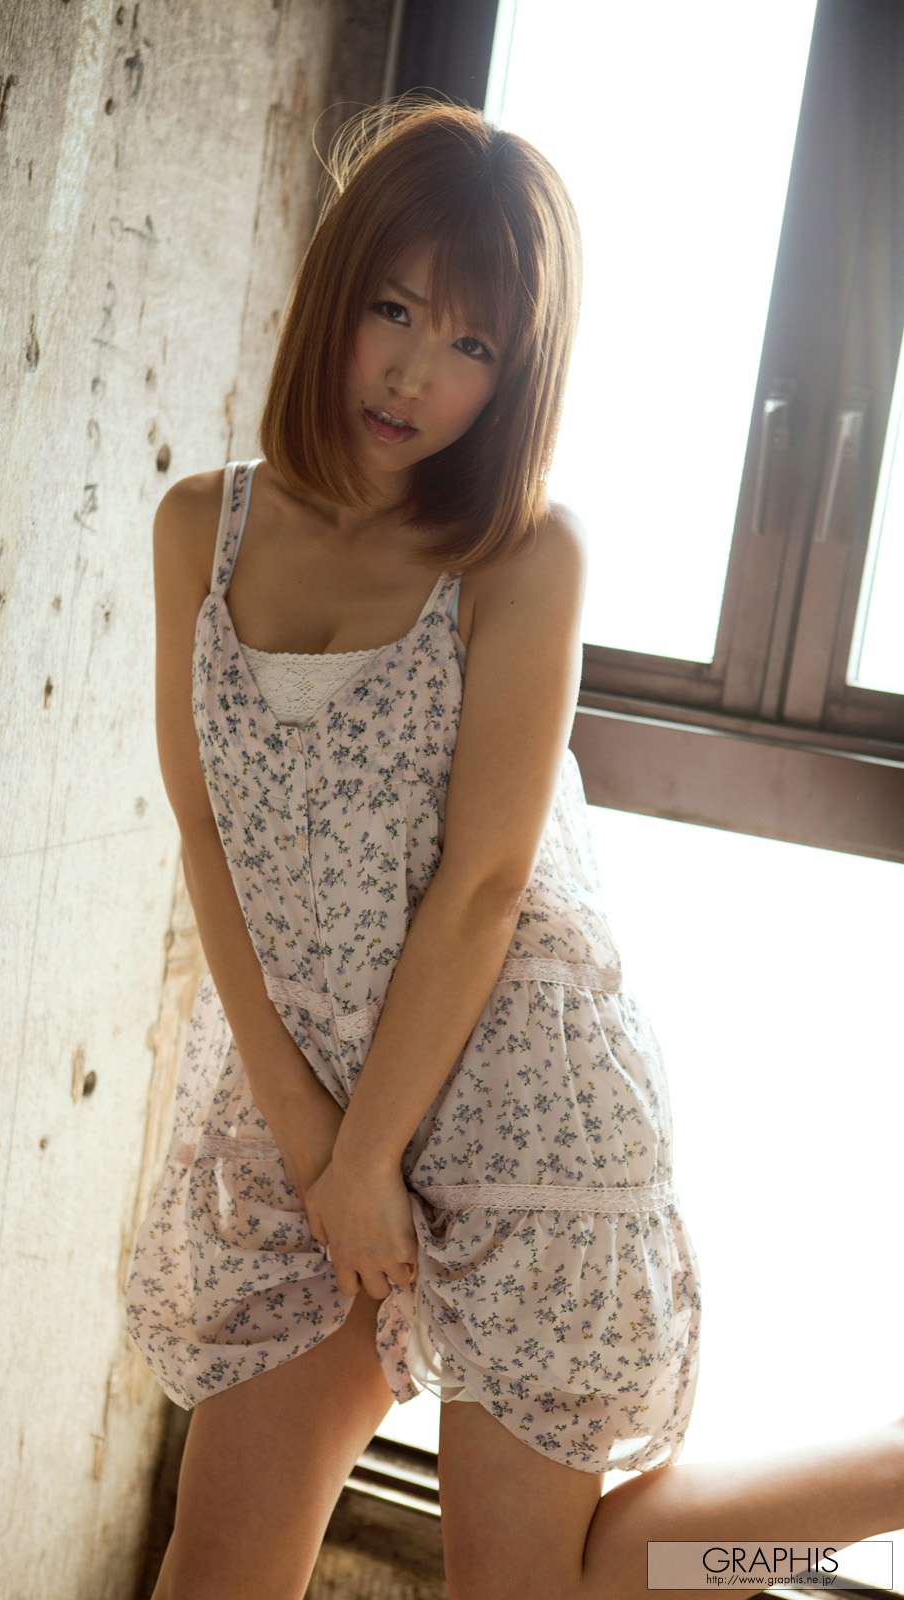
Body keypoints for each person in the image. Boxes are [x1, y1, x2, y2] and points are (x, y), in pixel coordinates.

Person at [124, 94, 904, 1600]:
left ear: (518, 373)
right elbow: (207, 831)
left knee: (567, 1593)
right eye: (393, 309)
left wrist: (372, 1158)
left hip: (515, 1107)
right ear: (333, 293)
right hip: (303, 1106)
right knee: (215, 1567)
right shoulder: (197, 531)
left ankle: (891, 1467)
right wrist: (318, 1147)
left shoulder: (523, 556)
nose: (416, 372)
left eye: (473, 343)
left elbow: (483, 889)